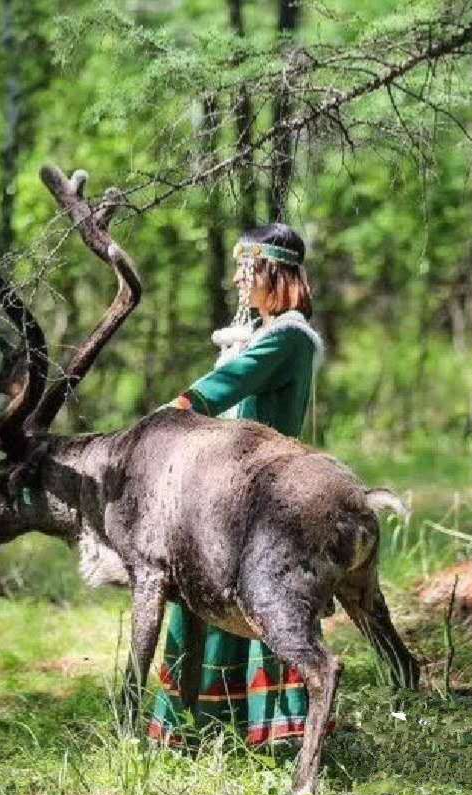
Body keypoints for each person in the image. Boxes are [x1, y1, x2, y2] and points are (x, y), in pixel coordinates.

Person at [147, 222, 325, 746]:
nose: (236, 281)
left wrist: (173, 412)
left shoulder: (288, 338)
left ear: (269, 272)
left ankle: (270, 731)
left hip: (258, 493)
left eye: (244, 270)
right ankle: (201, 724)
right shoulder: (267, 336)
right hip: (229, 488)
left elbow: (226, 386)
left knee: (256, 602)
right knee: (207, 594)